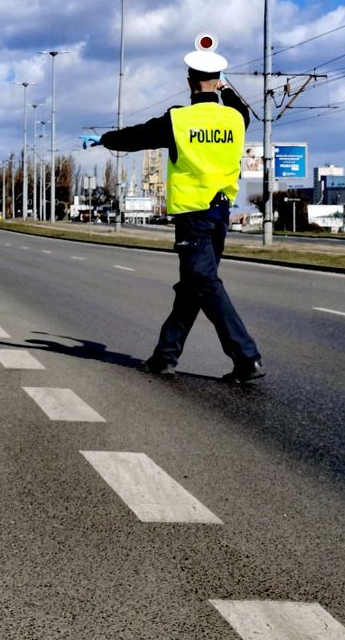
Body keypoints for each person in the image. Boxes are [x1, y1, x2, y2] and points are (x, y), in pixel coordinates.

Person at [96, 37, 264, 383]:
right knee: (193, 287)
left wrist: (105, 138)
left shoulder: (178, 120)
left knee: (204, 283)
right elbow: (239, 106)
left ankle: (246, 357)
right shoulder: (236, 119)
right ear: (218, 81)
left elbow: (133, 138)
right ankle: (164, 357)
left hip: (193, 217)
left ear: (188, 82)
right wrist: (226, 86)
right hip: (221, 215)